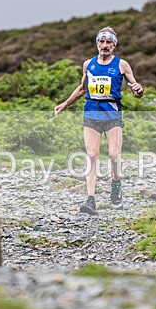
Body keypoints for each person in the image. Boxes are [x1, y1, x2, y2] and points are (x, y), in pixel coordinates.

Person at [54, 26, 144, 215]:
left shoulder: (122, 65)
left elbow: (135, 90)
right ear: (97, 43)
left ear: (114, 45)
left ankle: (116, 183)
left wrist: (138, 91)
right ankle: (91, 199)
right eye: (101, 42)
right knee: (92, 155)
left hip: (112, 115)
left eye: (109, 42)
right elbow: (82, 88)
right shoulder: (89, 64)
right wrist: (64, 104)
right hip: (91, 115)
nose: (105, 45)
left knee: (114, 155)